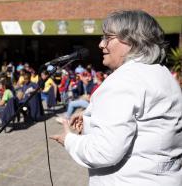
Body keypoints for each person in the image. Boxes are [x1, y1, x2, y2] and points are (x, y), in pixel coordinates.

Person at [51, 10, 182, 186]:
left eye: (107, 37)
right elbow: (146, 128)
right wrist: (91, 122)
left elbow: (103, 152)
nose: (100, 44)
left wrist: (69, 140)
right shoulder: (163, 74)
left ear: (132, 40)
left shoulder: (124, 80)